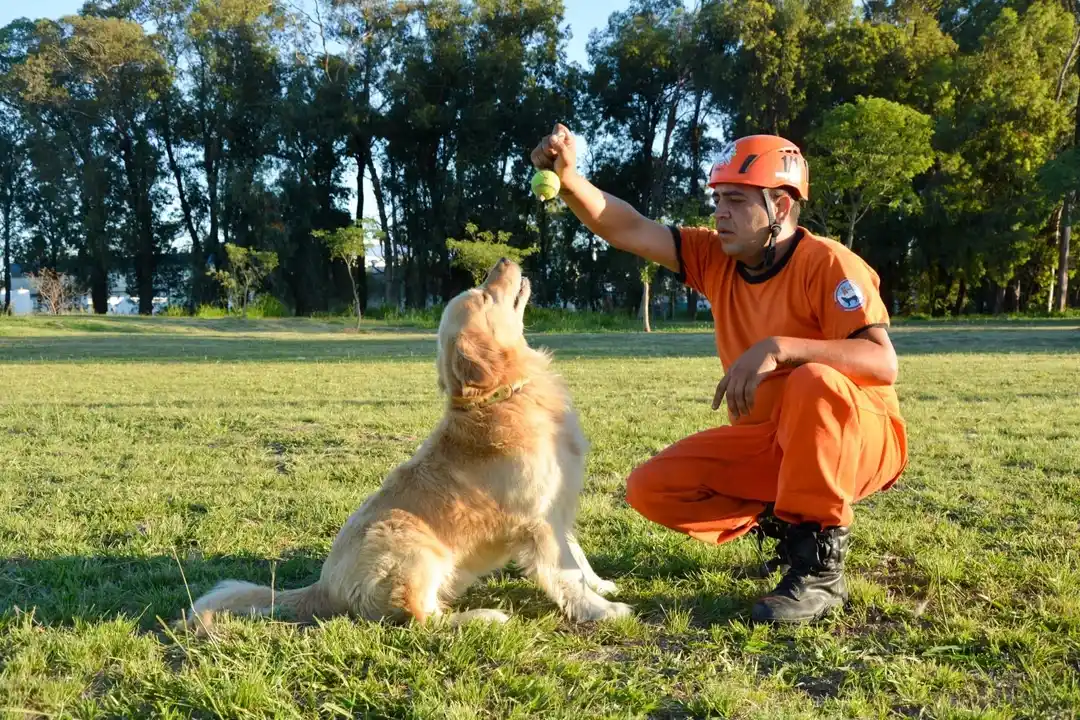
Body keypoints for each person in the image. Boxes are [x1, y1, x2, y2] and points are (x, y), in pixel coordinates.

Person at [530, 124, 908, 623]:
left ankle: (819, 570)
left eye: (735, 200)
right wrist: (571, 178)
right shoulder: (716, 258)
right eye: (718, 200)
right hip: (776, 442)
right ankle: (789, 525)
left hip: (858, 437)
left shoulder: (831, 263)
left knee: (813, 381)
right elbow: (628, 228)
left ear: (780, 206)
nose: (720, 212)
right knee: (651, 487)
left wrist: (780, 349)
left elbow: (883, 363)